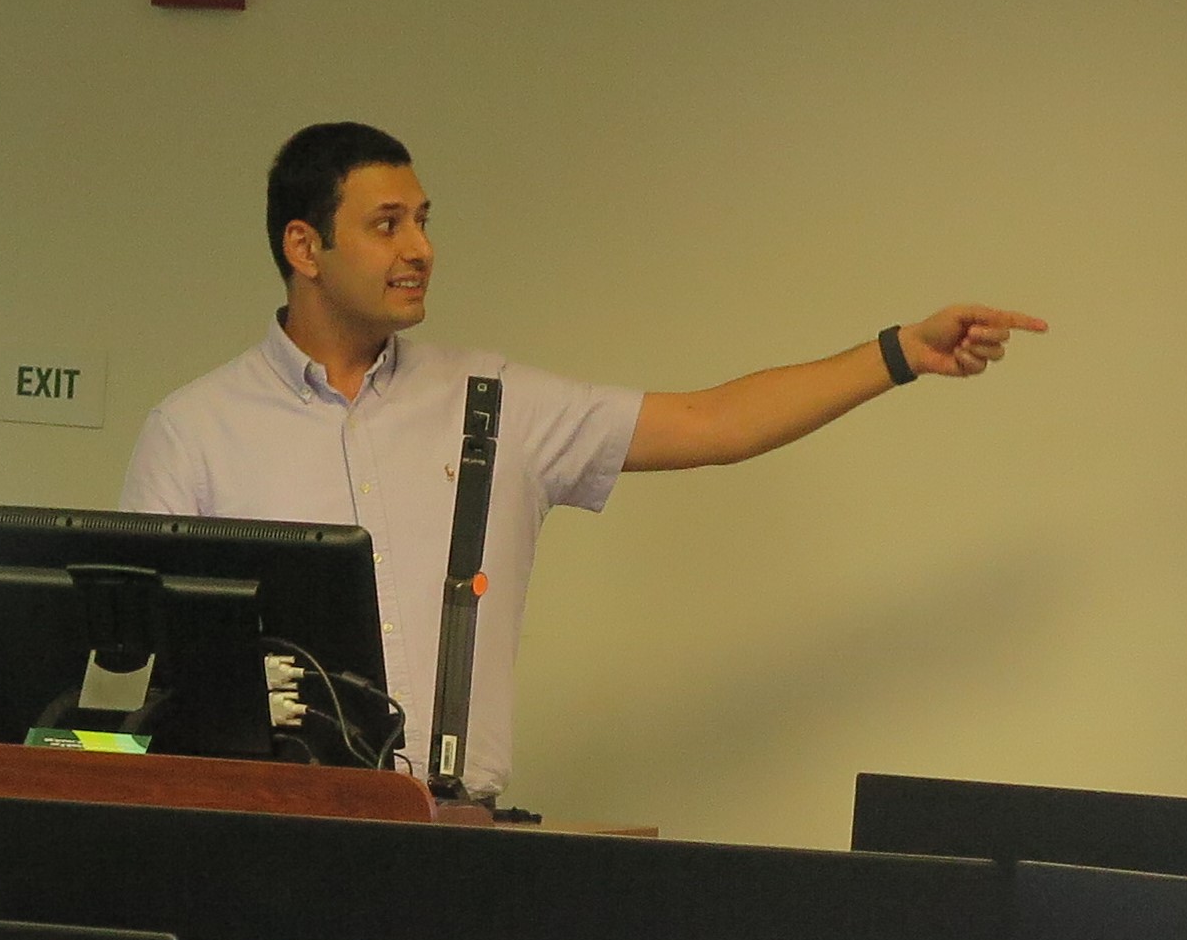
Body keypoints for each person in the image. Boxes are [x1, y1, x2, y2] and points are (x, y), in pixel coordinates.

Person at [122, 120, 1047, 797]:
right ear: (304, 248)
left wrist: (899, 354)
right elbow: (136, 671)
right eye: (387, 224)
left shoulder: (493, 401)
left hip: (458, 840)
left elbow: (713, 422)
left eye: (424, 221)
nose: (421, 249)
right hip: (259, 830)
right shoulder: (196, 429)